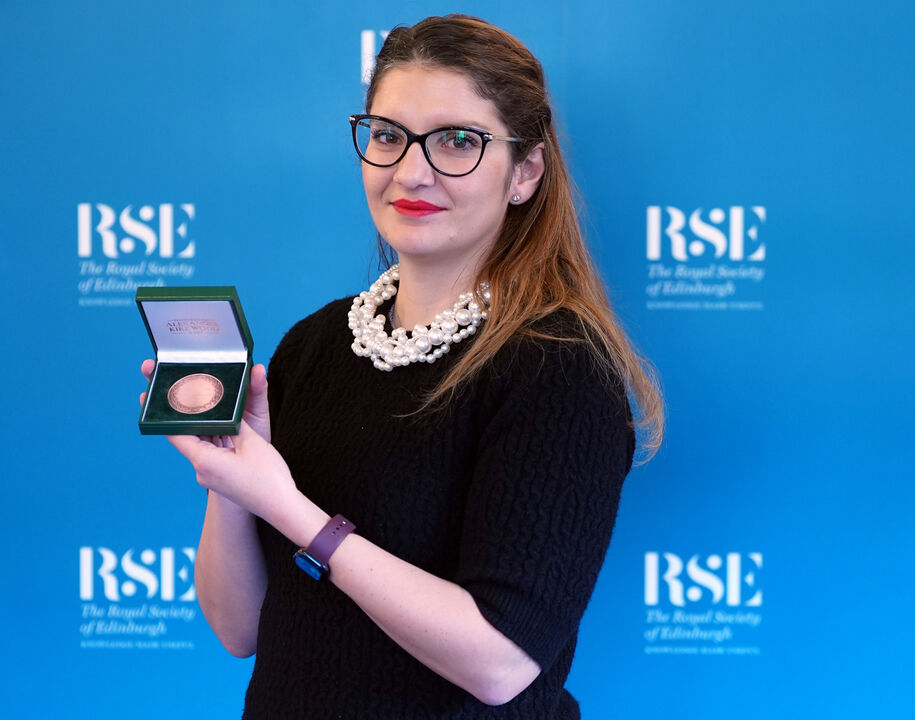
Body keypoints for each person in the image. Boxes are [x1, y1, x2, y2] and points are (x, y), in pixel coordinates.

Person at [141, 14, 662, 719]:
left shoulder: (558, 368)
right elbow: (238, 629)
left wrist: (291, 509)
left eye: (457, 142)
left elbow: (500, 661)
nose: (411, 171)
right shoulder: (313, 345)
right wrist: (232, 482)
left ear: (525, 172)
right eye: (388, 135)